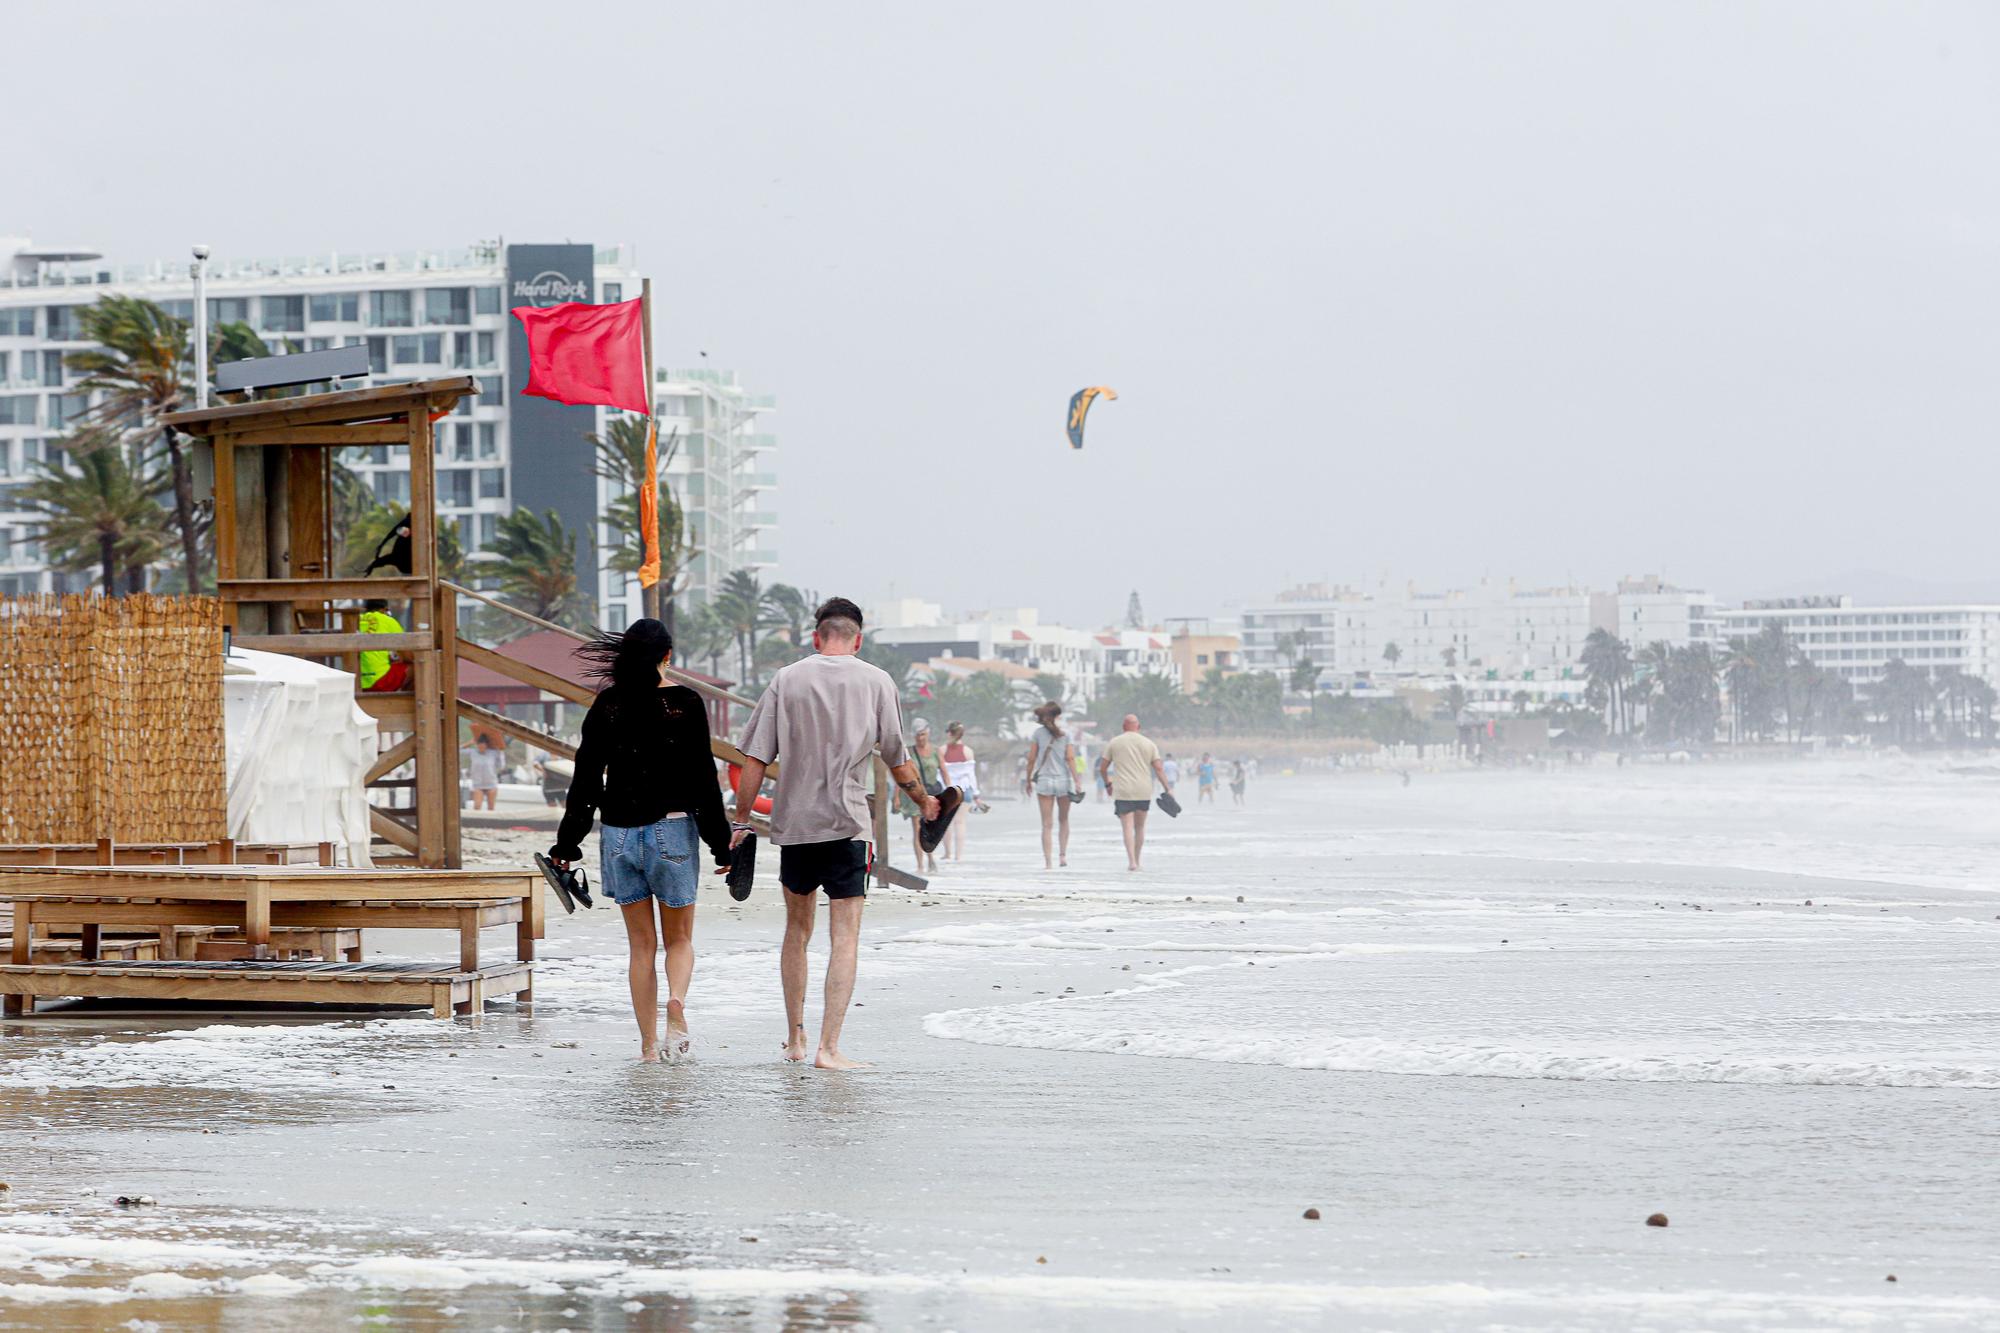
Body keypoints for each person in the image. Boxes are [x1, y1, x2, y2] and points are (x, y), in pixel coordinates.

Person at [732, 597, 937, 1071]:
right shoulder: (877, 681)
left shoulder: (787, 678)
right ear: (858, 639)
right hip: (848, 827)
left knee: (796, 931)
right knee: (844, 938)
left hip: (796, 826)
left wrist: (742, 822)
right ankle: (828, 1048)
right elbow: (896, 758)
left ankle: (794, 1040)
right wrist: (923, 802)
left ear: (816, 636)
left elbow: (755, 759)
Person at [546, 619, 729, 1063]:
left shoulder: (608, 704)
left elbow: (586, 780)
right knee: (679, 940)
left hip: (619, 836)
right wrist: (721, 845)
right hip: (672, 830)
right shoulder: (685, 702)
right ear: (667, 656)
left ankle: (648, 1047)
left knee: (640, 947)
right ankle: (677, 1005)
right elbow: (704, 779)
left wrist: (566, 849)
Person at [1098, 714, 1171, 871]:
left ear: (1123, 727)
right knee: (1140, 827)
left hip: (1123, 790)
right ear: (1139, 727)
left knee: (1127, 827)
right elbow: (1158, 769)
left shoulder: (1114, 742)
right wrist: (1167, 789)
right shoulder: (1149, 744)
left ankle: (1131, 862)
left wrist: (1107, 784)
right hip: (1143, 790)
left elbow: (1102, 768)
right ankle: (1138, 860)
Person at [1023, 701, 1076, 869]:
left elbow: (1031, 759)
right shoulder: (1066, 734)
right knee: (1064, 820)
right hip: (1063, 781)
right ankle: (1062, 856)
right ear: (1058, 716)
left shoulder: (1038, 734)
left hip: (1044, 780)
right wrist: (1077, 780)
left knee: (1046, 824)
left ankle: (1048, 862)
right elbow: (1070, 758)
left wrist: (1028, 779)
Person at [896, 720, 944, 874]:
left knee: (930, 829)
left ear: (928, 733)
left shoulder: (936, 751)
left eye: (923, 734)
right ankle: (920, 865)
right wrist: (896, 796)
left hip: (932, 794)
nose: (920, 738)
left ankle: (930, 858)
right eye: (917, 735)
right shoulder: (908, 751)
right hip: (914, 795)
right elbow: (902, 773)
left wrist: (951, 791)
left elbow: (944, 772)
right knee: (917, 829)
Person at [939, 721, 981, 860]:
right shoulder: (968, 751)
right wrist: (976, 794)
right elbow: (971, 776)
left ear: (949, 733)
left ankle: (948, 854)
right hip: (965, 790)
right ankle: (959, 856)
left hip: (948, 790)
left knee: (947, 822)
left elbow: (939, 774)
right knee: (960, 822)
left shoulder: (942, 750)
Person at [357, 599, 408, 693]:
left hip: (357, 683)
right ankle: (404, 700)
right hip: (380, 681)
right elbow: (407, 655)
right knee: (414, 667)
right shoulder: (388, 620)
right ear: (385, 609)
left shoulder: (356, 620)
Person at [467, 736, 504, 811]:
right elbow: (457, 750)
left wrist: (500, 751)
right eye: (479, 746)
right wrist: (469, 743)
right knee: (477, 806)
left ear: (486, 746)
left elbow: (501, 766)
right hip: (478, 784)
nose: (481, 748)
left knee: (491, 807)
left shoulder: (493, 753)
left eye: (483, 746)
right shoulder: (473, 752)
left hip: (491, 784)